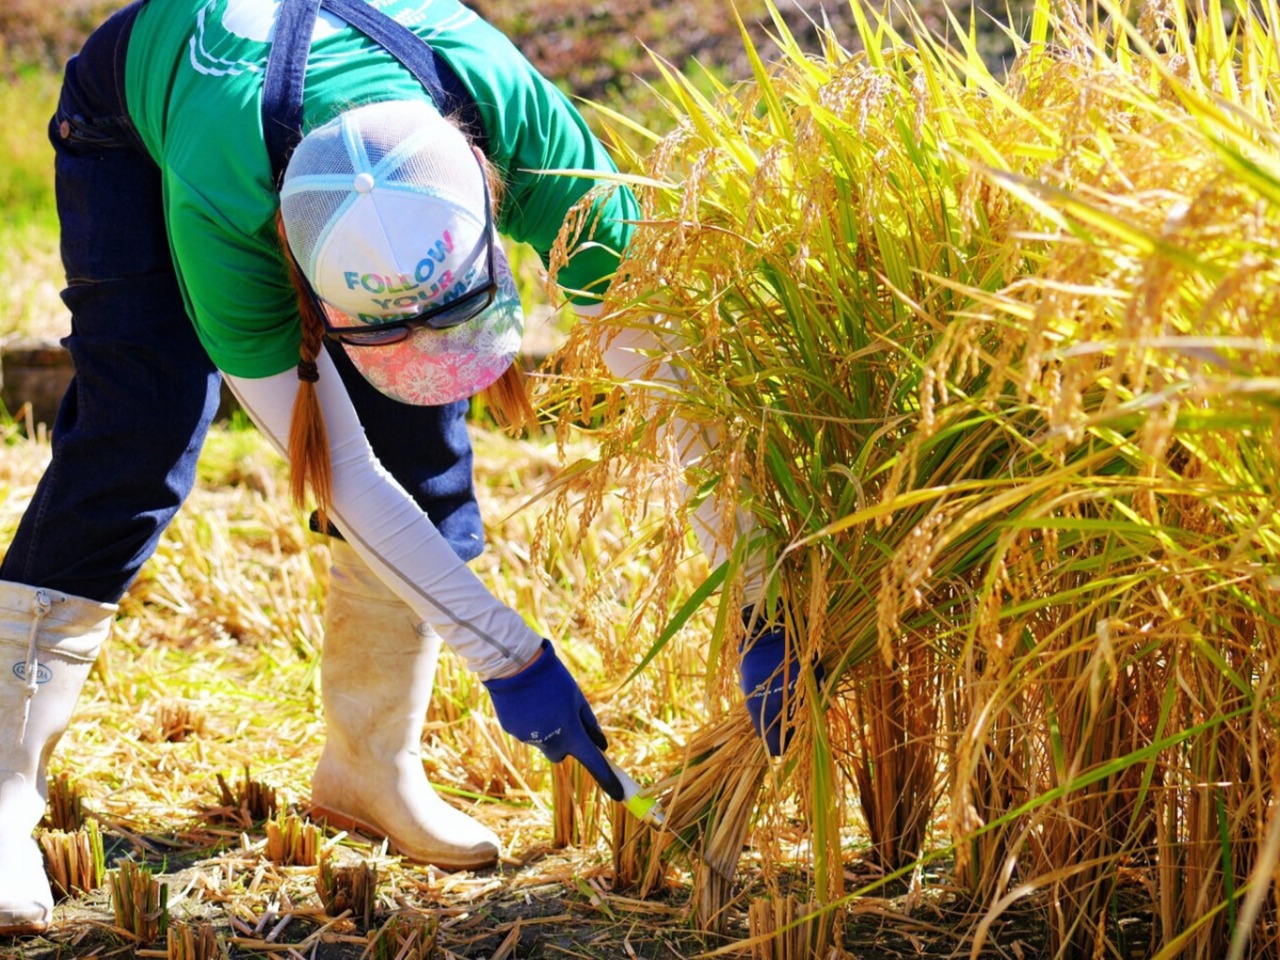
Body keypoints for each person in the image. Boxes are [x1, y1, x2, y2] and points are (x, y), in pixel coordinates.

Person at [0, 0, 813, 936]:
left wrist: (761, 594)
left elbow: (678, 387)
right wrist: (507, 655)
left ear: (485, 188)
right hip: (146, 121)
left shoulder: (515, 117)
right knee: (139, 436)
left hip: (337, 105)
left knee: (418, 446)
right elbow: (339, 470)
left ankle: (368, 770)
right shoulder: (225, 198)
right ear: (299, 271)